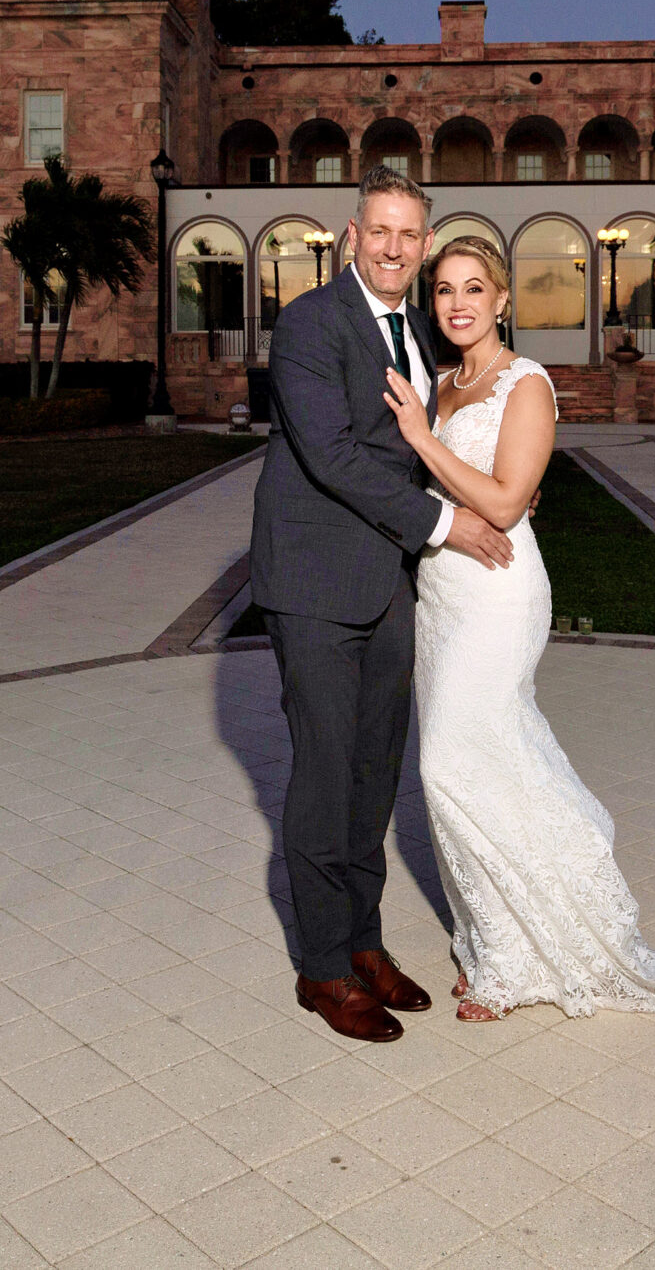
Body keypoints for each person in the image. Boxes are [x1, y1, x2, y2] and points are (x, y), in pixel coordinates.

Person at [382, 236, 655, 1021]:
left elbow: (503, 503)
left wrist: (425, 443)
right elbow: (427, 493)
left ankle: (540, 939)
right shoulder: (437, 385)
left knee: (446, 764)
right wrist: (425, 445)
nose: (458, 302)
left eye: (474, 288)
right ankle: (494, 941)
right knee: (473, 766)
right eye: (443, 290)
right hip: (441, 595)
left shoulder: (527, 384)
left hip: (499, 594)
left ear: (504, 300)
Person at [250, 168, 515, 1043]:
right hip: (315, 584)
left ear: (424, 241)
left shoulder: (417, 332)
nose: (396, 248)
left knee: (372, 775)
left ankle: (363, 942)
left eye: (411, 234)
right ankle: (322, 965)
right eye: (381, 231)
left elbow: (427, 442)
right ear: (350, 235)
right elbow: (331, 455)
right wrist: (448, 523)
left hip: (387, 583)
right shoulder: (310, 323)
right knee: (325, 776)